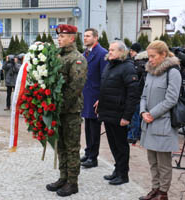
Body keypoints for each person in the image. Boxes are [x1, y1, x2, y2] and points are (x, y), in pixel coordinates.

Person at [46, 24, 87, 197]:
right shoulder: (57, 56)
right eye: (58, 36)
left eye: (62, 36)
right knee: (60, 145)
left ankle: (72, 182)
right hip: (57, 110)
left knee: (71, 147)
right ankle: (63, 177)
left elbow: (75, 87)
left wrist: (60, 106)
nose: (59, 39)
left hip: (70, 111)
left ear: (72, 38)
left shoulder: (77, 58)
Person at [139, 40, 182, 200]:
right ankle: (154, 189)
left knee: (163, 164)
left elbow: (171, 99)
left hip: (163, 124)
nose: (149, 59)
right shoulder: (150, 72)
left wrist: (152, 114)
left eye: (153, 56)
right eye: (148, 56)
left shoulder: (173, 72)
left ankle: (163, 193)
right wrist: (143, 111)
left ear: (163, 55)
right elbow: (143, 95)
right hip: (149, 124)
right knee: (152, 161)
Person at [95, 40, 139, 185]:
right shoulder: (110, 65)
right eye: (109, 50)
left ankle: (123, 174)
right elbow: (106, 87)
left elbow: (133, 94)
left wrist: (127, 116)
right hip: (108, 111)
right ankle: (117, 170)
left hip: (119, 114)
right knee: (113, 145)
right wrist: (100, 101)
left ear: (122, 52)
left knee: (121, 145)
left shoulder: (127, 67)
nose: (110, 52)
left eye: (113, 50)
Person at [80, 28, 108, 168]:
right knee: (88, 126)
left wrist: (101, 98)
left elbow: (105, 77)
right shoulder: (84, 53)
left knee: (94, 128)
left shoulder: (102, 53)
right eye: (84, 36)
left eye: (88, 36)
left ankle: (93, 157)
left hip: (95, 95)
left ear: (96, 38)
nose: (85, 38)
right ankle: (88, 151)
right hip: (86, 95)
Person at [127, 50, 149, 144]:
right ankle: (139, 134)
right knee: (139, 116)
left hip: (136, 95)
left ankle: (132, 135)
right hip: (143, 95)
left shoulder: (137, 66)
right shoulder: (146, 67)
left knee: (134, 116)